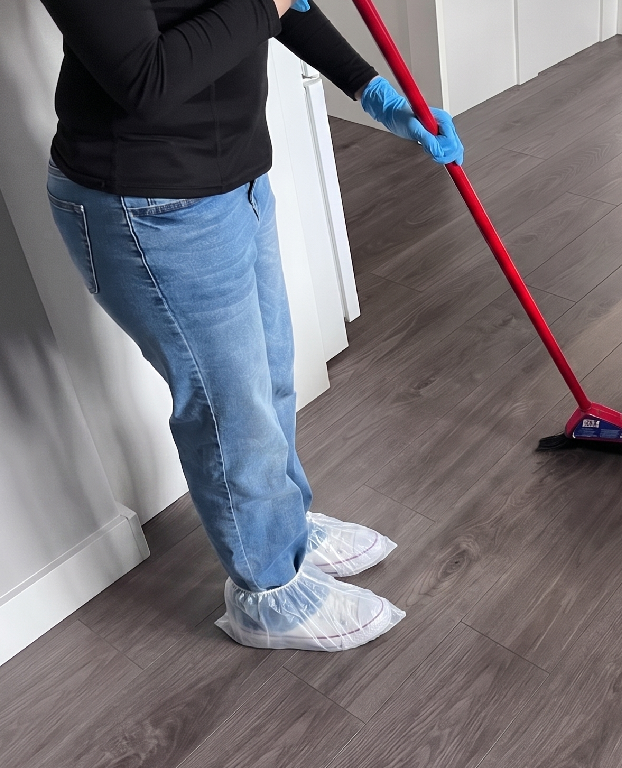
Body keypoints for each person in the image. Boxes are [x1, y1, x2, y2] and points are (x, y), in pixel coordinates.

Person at [39, 0, 464, 651]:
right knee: (228, 410)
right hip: (148, 203)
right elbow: (144, 81)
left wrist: (371, 91)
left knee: (269, 379)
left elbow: (285, 9)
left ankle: (282, 524)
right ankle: (268, 592)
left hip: (230, 176)